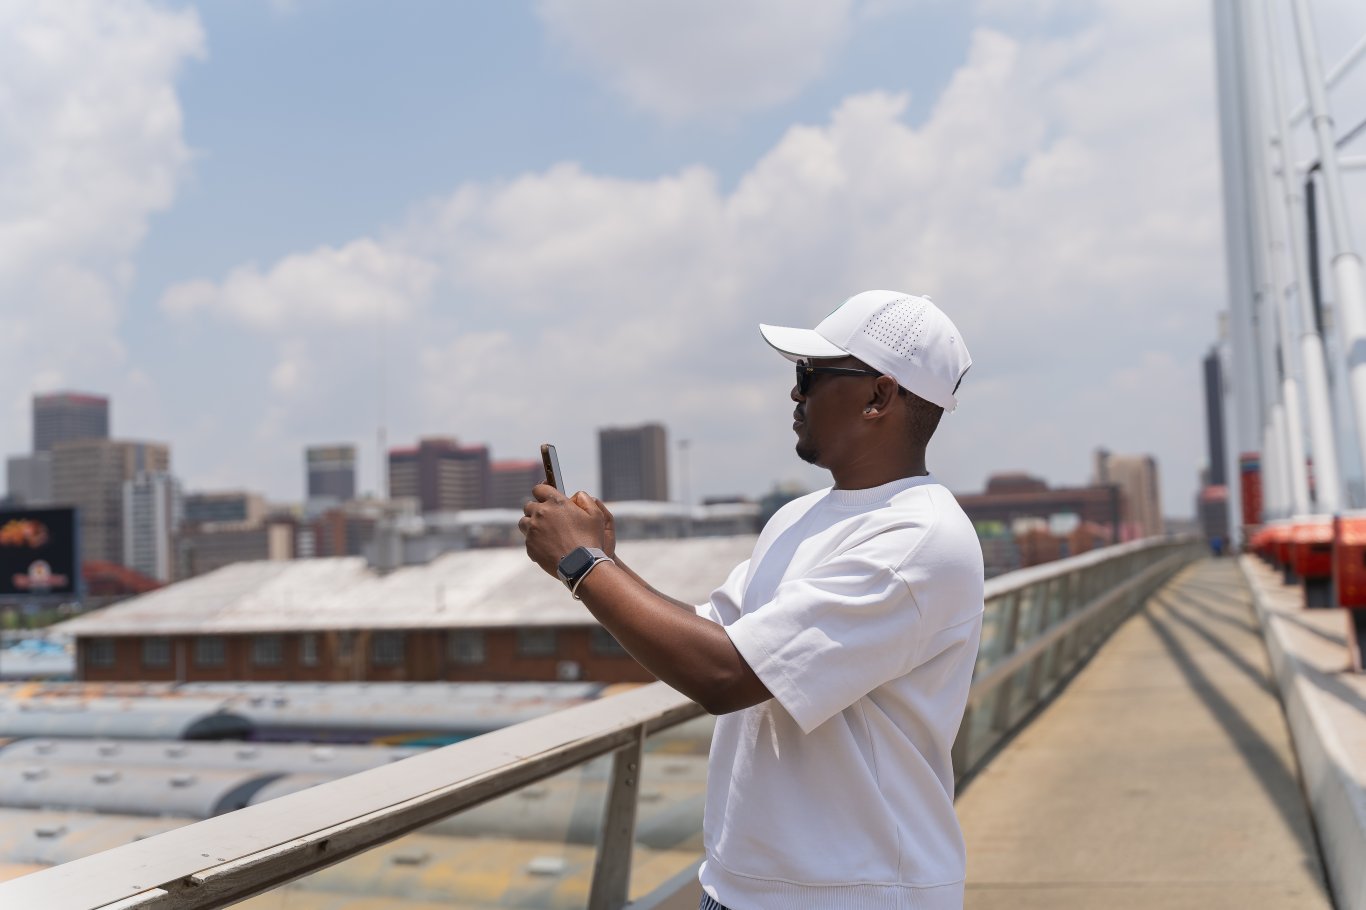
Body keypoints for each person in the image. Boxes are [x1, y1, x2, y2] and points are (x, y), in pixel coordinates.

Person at [520, 289, 985, 910]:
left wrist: (584, 564)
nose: (794, 394)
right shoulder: (799, 518)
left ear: (879, 396)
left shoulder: (920, 537)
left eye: (809, 375)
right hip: (742, 886)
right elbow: (713, 639)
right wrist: (609, 562)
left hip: (857, 891)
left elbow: (726, 676)